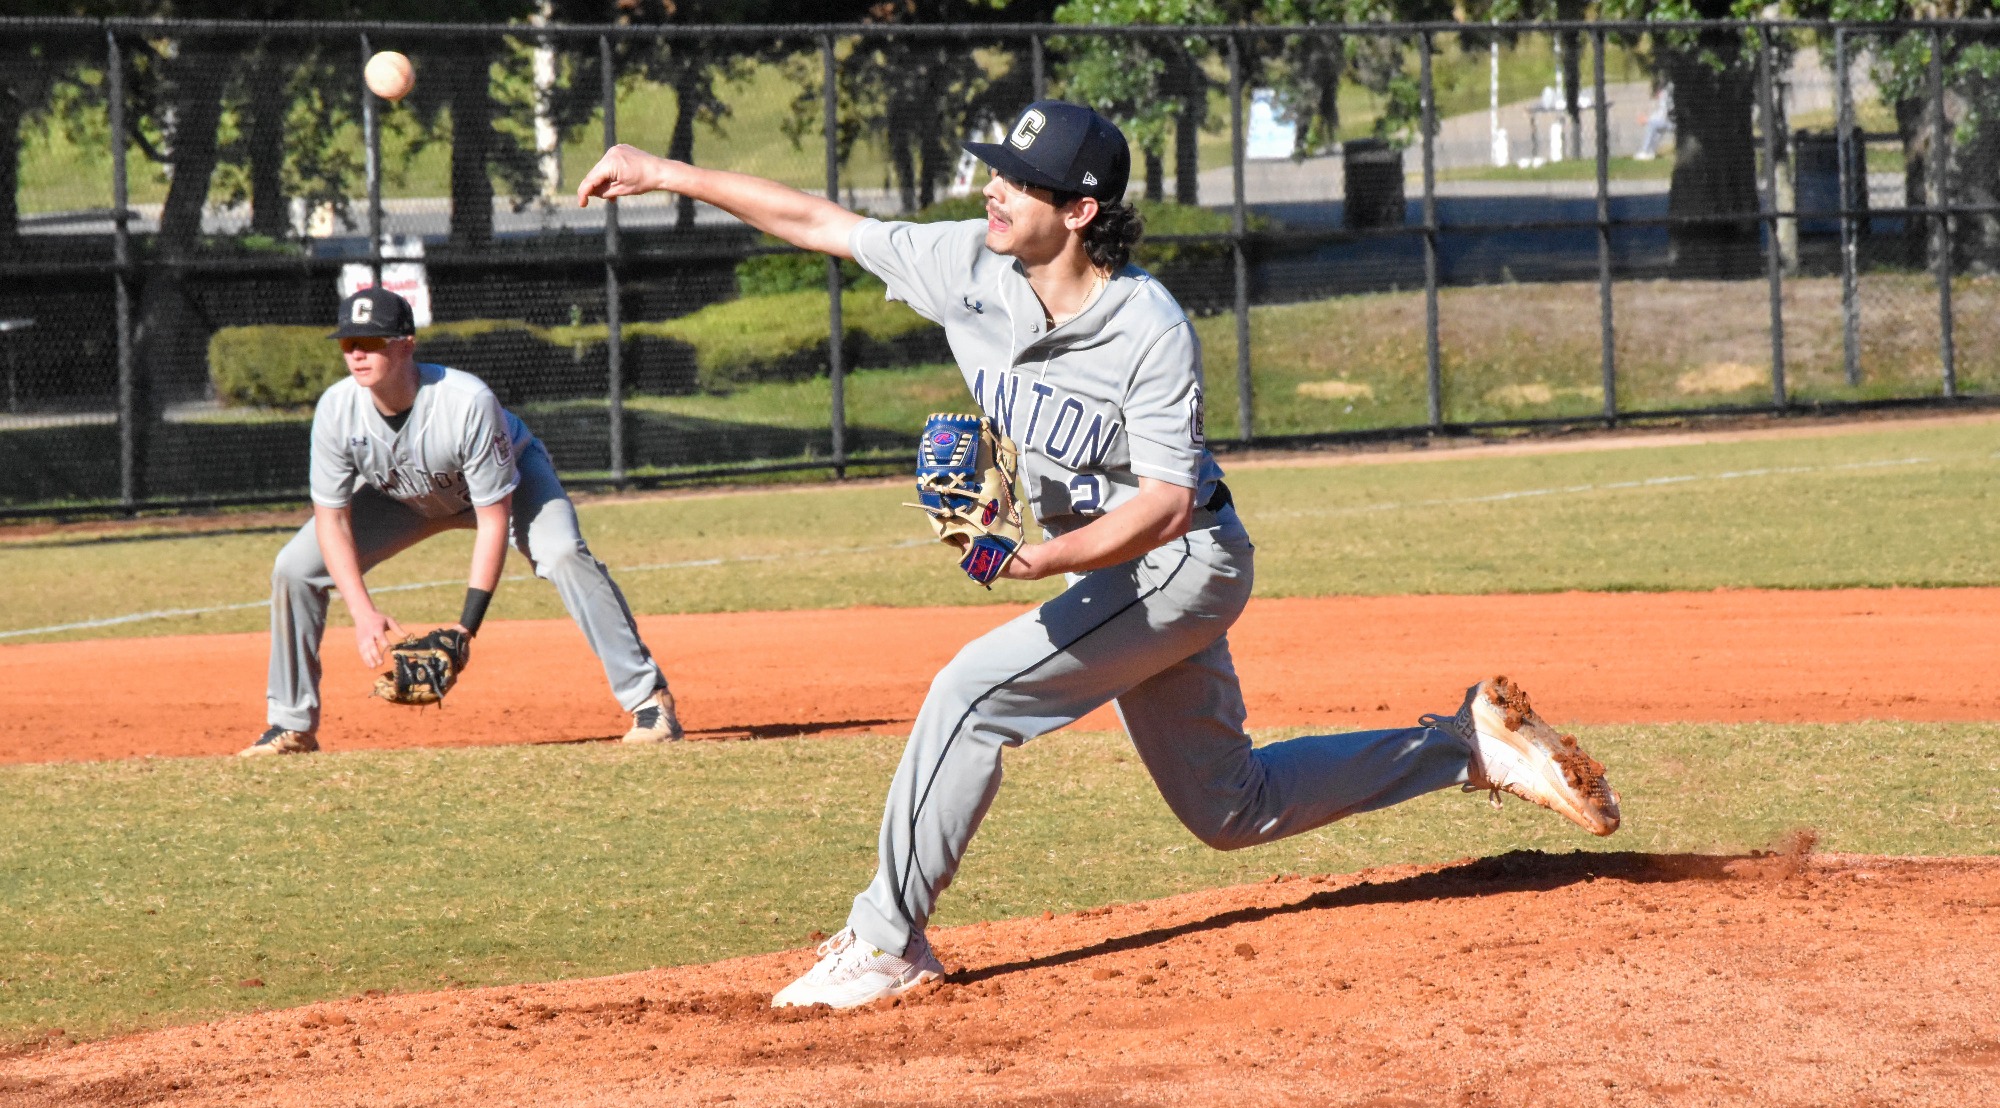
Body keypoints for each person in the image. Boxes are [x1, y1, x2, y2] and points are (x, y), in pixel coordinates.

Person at [576, 101, 1622, 1009]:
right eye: (995, 171)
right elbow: (820, 220)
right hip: (1117, 574)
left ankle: (885, 943)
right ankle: (1463, 747)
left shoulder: (1146, 326)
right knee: (1229, 808)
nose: (992, 193)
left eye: (1019, 182)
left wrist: (1041, 560)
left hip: (1183, 563)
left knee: (969, 693)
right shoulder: (965, 266)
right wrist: (664, 171)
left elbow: (1166, 502)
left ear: (1077, 212)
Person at [242, 286, 682, 756]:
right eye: (349, 344)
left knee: (563, 553)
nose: (357, 354)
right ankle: (290, 725)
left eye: (371, 342)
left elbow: (494, 520)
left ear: (406, 343)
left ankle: (648, 700)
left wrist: (464, 628)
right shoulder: (336, 408)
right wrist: (363, 612)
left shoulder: (465, 401)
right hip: (403, 498)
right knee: (294, 568)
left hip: (506, 486)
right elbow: (332, 520)